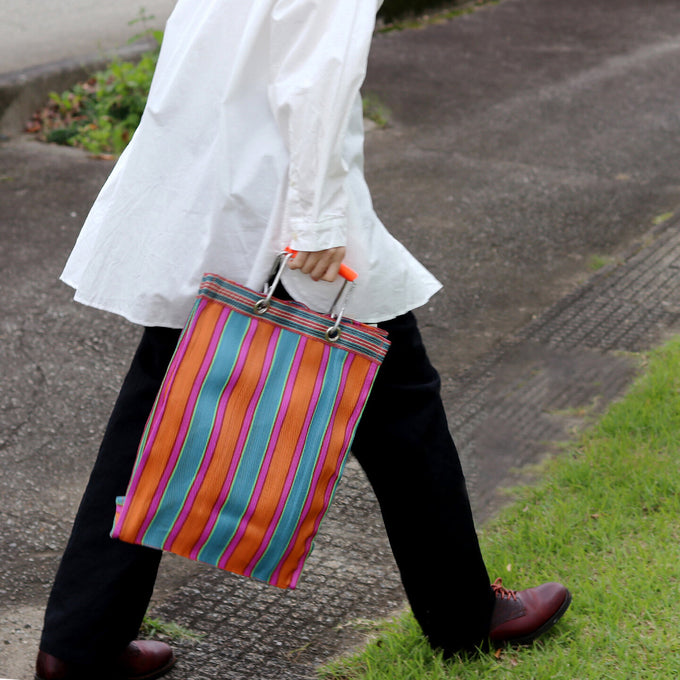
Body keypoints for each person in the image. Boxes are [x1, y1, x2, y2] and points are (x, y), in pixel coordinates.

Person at [35, 0, 571, 678]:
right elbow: (321, 70)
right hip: (276, 212)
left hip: (219, 183)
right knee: (402, 401)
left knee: (159, 414)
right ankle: (466, 615)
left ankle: (77, 647)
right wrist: (318, 222)